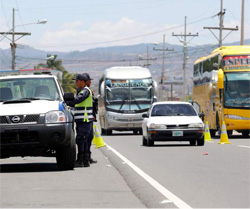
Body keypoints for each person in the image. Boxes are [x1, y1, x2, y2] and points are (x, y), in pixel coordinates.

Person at [68, 74, 93, 167]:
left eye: (77, 81)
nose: (76, 83)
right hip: (82, 120)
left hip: (85, 120)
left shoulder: (85, 91)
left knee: (80, 140)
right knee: (84, 140)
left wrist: (68, 101)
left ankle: (81, 160)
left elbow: (78, 100)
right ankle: (85, 160)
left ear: (82, 81)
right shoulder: (82, 91)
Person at [82, 73, 98, 164]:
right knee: (85, 138)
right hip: (85, 118)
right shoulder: (84, 91)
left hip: (89, 118)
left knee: (89, 137)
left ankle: (87, 157)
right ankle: (84, 158)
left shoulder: (88, 91)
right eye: (89, 80)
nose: (90, 82)